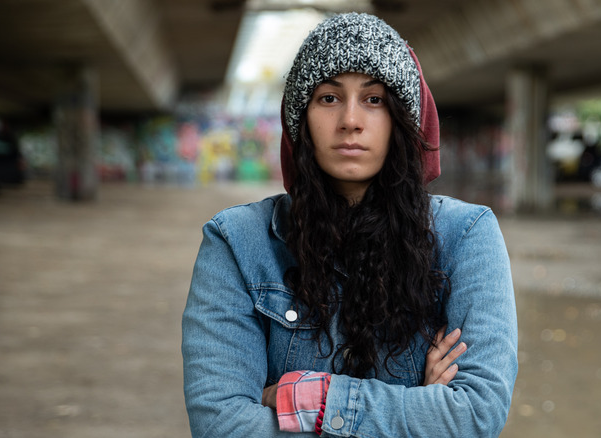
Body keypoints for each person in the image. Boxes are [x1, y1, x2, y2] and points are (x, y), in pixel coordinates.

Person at [182, 12, 518, 437]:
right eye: (328, 98)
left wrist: (308, 400)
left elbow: (475, 415)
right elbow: (221, 426)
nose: (351, 121)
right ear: (300, 120)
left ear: (401, 119)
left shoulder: (467, 235)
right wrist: (419, 411)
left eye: (374, 99)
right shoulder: (237, 242)